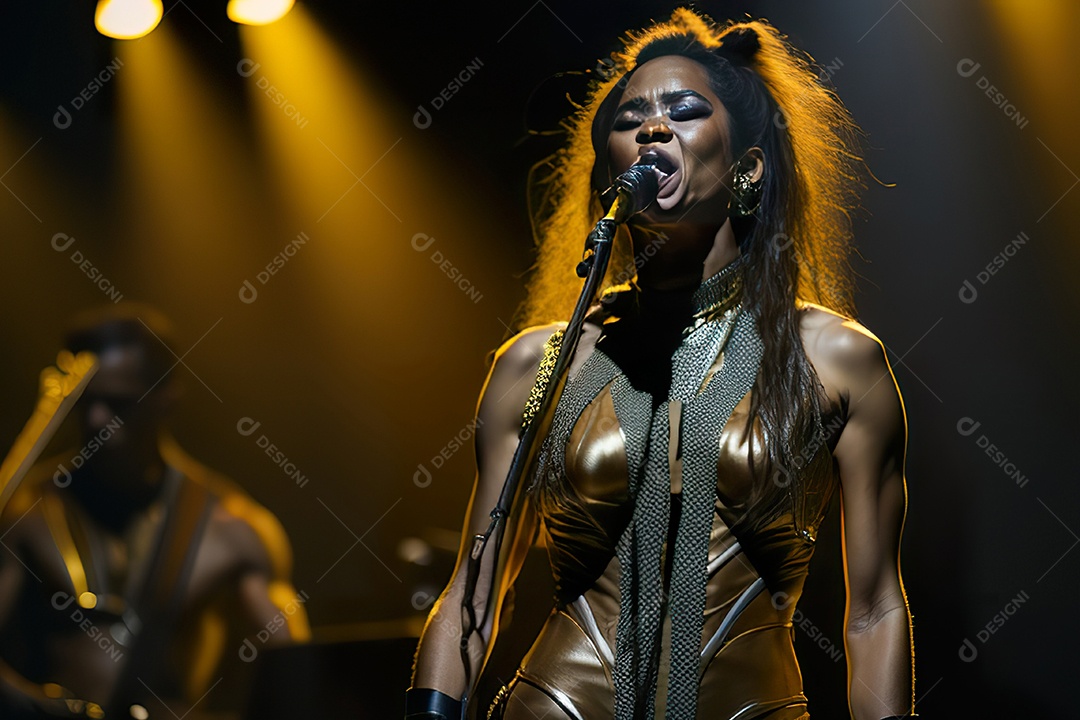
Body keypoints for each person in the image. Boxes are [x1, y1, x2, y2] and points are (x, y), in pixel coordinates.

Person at [408, 9, 915, 720]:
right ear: (611, 166)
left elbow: (873, 609)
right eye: (629, 118)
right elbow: (474, 591)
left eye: (684, 111)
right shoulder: (537, 363)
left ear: (749, 164)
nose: (652, 128)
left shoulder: (839, 362)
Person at [0, 304, 310, 719]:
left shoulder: (235, 527)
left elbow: (300, 681)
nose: (97, 421)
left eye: (119, 404)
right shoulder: (23, 509)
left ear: (166, 399)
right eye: (86, 403)